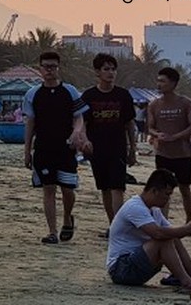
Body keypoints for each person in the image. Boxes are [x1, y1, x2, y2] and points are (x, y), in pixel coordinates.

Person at [105, 169, 191, 295]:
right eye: (167, 194)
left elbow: (172, 233)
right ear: (154, 191)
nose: (168, 199)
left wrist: (188, 230)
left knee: (173, 238)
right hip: (121, 269)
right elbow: (158, 234)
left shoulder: (154, 209)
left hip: (136, 265)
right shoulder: (135, 207)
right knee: (164, 240)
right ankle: (187, 282)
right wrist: (186, 229)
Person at [22, 50, 88, 244]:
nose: (49, 70)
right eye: (46, 67)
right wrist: (27, 151)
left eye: (53, 67)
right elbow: (30, 123)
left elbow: (79, 116)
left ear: (59, 68)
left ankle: (68, 217)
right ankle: (52, 231)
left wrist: (77, 132)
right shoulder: (33, 94)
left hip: (65, 148)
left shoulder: (70, 91)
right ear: (40, 69)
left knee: (68, 189)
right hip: (43, 147)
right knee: (48, 188)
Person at [79, 53, 139, 235]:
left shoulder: (123, 95)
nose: (110, 73)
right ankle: (113, 225)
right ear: (97, 72)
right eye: (106, 69)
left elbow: (129, 123)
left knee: (117, 188)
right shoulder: (89, 95)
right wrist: (84, 140)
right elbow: (82, 122)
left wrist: (133, 149)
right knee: (105, 188)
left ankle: (119, 228)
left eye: (113, 69)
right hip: (97, 149)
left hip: (118, 148)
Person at [145, 67, 191, 222]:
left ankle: (189, 219)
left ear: (173, 83)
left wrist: (176, 136)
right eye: (158, 80)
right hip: (163, 153)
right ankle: (163, 220)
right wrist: (157, 134)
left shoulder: (186, 103)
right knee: (162, 189)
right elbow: (150, 127)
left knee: (184, 187)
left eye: (163, 81)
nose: (159, 84)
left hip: (183, 153)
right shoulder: (154, 105)